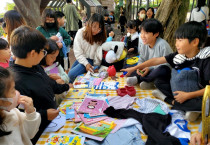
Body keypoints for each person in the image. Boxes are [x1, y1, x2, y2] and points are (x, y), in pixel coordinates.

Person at [122, 21, 210, 121]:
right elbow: (156, 60)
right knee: (159, 82)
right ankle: (187, 107)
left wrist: (188, 95)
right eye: (176, 40)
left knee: (206, 102)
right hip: (179, 91)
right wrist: (134, 68)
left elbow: (209, 89)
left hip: (197, 95)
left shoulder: (205, 60)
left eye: (180, 40)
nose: (176, 44)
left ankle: (168, 100)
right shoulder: (178, 56)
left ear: (195, 42)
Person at [10, 26, 71, 144]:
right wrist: (44, 115)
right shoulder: (14, 82)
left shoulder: (34, 66)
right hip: (39, 134)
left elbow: (49, 84)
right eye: (43, 52)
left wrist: (67, 86)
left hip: (53, 123)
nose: (44, 55)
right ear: (33, 53)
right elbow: (20, 117)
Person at [123, 19, 172, 90]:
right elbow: (141, 59)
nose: (142, 36)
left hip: (159, 71)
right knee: (127, 67)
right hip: (147, 70)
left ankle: (139, 79)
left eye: (146, 33)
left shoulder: (163, 45)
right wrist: (139, 68)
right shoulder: (144, 43)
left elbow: (167, 65)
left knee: (161, 70)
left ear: (156, 34)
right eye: (141, 33)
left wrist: (150, 68)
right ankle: (149, 81)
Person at [0, 66, 41, 145]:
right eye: (12, 91)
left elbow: (30, 133)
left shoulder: (13, 113)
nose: (17, 93)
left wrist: (31, 113)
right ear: (1, 101)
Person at [68, 13, 106, 83]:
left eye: (99, 28)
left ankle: (82, 86)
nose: (96, 30)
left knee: (71, 74)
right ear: (89, 23)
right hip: (82, 58)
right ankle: (75, 89)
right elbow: (78, 52)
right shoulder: (80, 33)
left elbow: (98, 54)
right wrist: (86, 64)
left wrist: (96, 66)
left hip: (91, 60)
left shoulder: (100, 37)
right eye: (94, 26)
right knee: (70, 77)